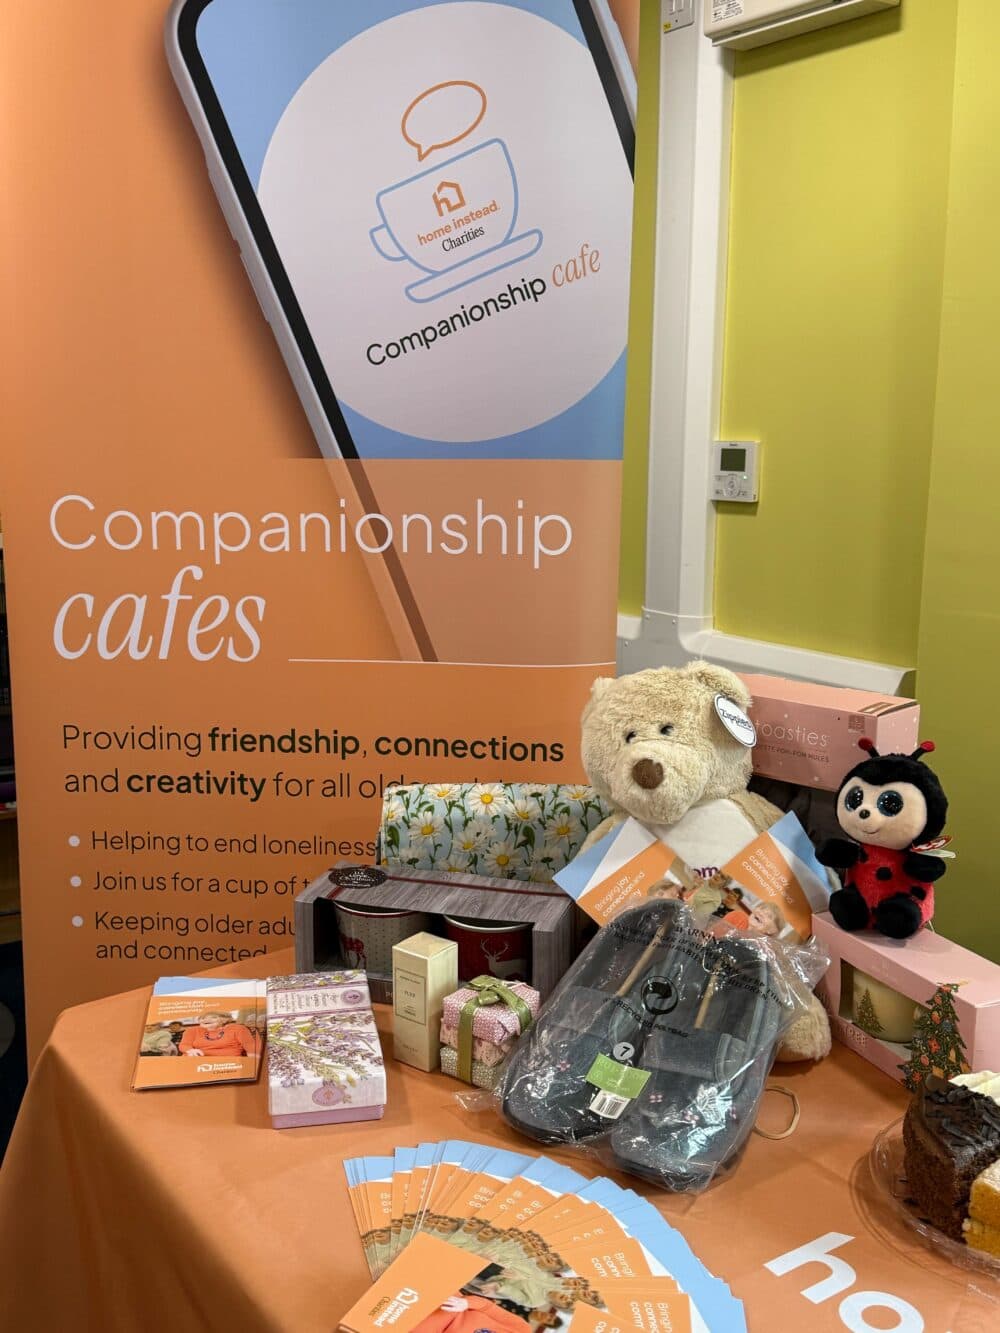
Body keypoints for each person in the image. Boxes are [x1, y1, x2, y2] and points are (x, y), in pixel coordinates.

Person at [178, 1011, 254, 1059]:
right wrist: (190, 1050)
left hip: (226, 1065)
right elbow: (184, 1045)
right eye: (202, 1018)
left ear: (224, 1019)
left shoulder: (238, 1029)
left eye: (213, 1017)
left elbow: (252, 1049)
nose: (205, 1020)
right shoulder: (192, 1030)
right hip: (195, 1062)